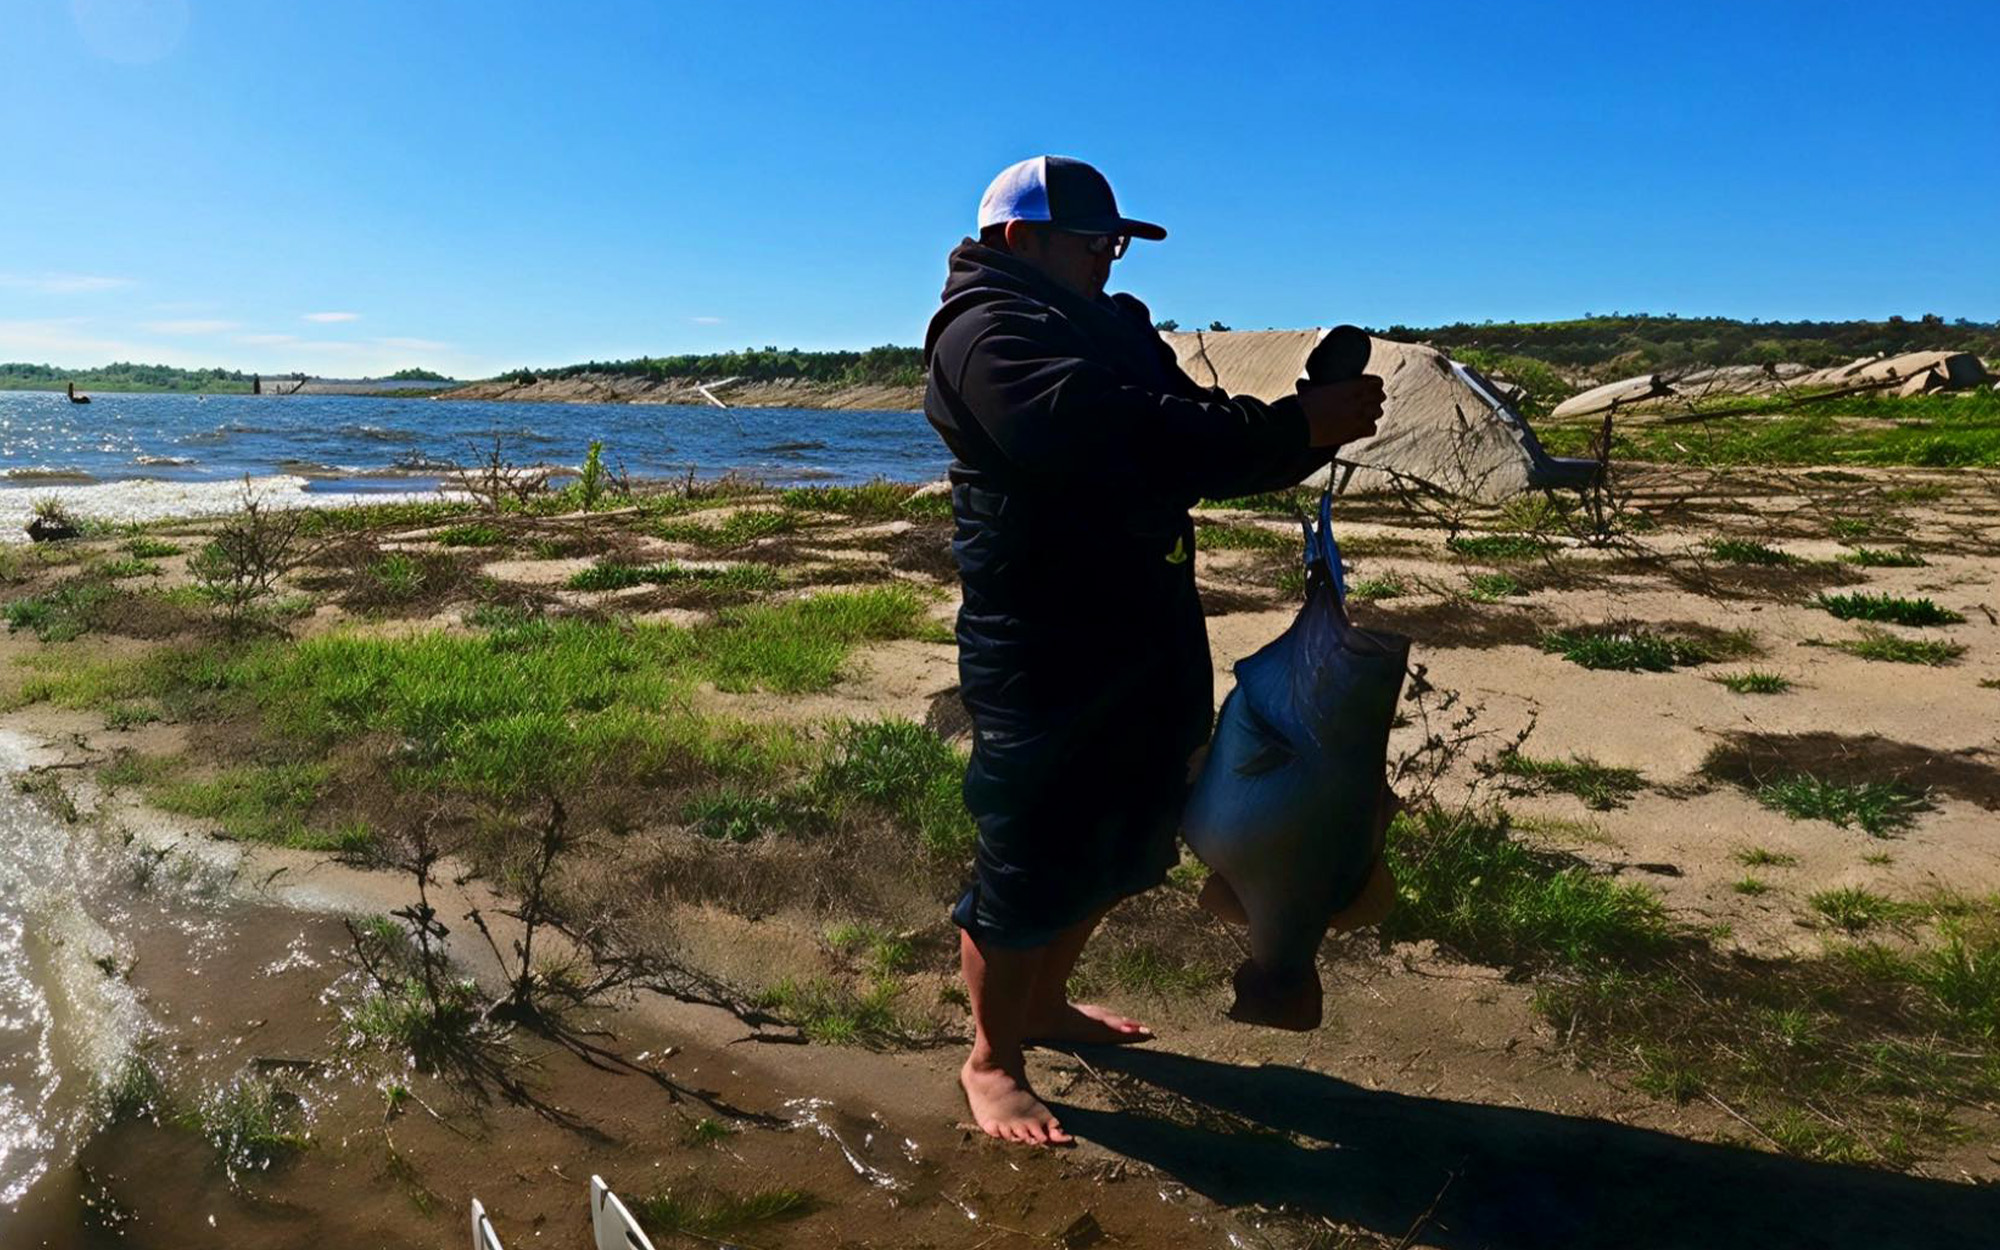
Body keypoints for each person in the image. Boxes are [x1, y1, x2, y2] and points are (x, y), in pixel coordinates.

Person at [922, 155, 1385, 1145]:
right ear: (1019, 241)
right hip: (1041, 641)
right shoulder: (983, 333)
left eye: (1115, 243)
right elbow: (1106, 434)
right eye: (1091, 241)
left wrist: (1303, 432)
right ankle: (991, 1059)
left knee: (1127, 836)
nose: (1108, 257)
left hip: (1148, 621)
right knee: (1030, 856)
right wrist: (1288, 426)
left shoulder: (1111, 326)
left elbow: (1195, 434)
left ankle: (1044, 1007)